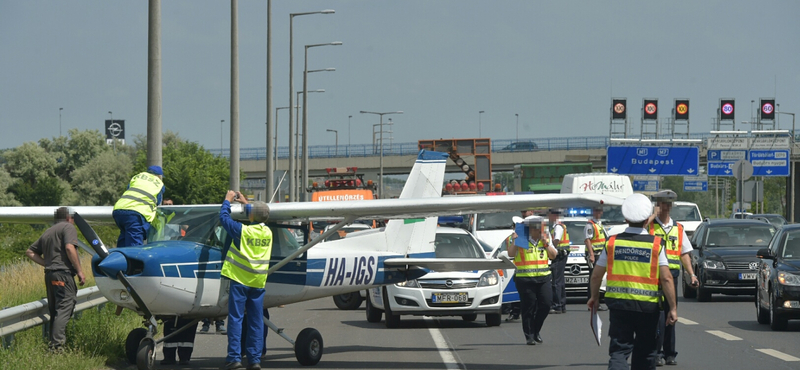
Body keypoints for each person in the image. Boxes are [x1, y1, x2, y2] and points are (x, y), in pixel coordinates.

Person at [587, 194, 678, 370]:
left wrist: (594, 297)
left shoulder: (612, 242)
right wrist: (672, 308)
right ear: (647, 219)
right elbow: (666, 278)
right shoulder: (656, 244)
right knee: (645, 353)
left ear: (626, 218)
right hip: (648, 309)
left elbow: (597, 275)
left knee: (619, 351)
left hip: (619, 306)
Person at [219, 190, 273, 370]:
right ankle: (254, 360)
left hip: (240, 281)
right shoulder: (268, 232)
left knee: (235, 319)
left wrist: (227, 201)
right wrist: (245, 202)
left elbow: (224, 218)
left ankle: (234, 358)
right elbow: (257, 214)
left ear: (252, 216)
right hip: (258, 283)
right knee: (256, 322)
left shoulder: (243, 231)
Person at [648, 190, 699, 367]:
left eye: (669, 204)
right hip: (653, 276)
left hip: (672, 275)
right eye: (663, 204)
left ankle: (670, 353)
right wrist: (652, 216)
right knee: (657, 316)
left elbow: (684, 253)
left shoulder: (678, 228)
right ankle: (656, 353)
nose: (666, 207)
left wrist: (691, 274)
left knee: (671, 314)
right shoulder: (650, 226)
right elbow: (637, 230)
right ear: (658, 205)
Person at [25, 207, 86, 351]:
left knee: (56, 310)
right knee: (65, 306)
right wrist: (79, 271)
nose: (74, 222)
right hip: (63, 274)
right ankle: (56, 347)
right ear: (67, 218)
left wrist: (47, 263)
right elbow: (70, 248)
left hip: (50, 274)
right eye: (73, 219)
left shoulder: (48, 231)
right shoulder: (68, 227)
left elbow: (30, 251)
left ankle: (52, 343)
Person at [507, 215, 557, 345]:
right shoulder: (520, 238)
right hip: (525, 279)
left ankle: (536, 330)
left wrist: (546, 244)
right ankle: (529, 335)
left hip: (543, 277)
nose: (540, 230)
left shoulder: (545, 238)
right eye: (537, 228)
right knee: (528, 307)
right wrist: (514, 242)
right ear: (529, 228)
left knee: (546, 304)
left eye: (541, 227)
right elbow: (511, 254)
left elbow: (553, 255)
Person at [113, 165, 165, 247]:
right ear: (159, 176)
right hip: (136, 213)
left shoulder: (137, 177)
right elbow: (158, 201)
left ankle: (120, 258)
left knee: (123, 241)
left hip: (119, 210)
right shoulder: (159, 183)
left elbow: (129, 189)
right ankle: (134, 260)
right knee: (134, 247)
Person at [584, 205, 608, 311]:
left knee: (598, 279)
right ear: (593, 211)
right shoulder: (590, 225)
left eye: (600, 211)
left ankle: (595, 303)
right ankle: (593, 303)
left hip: (600, 254)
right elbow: (587, 240)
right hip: (594, 254)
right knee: (594, 278)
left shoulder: (599, 224)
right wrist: (592, 255)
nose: (598, 213)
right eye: (596, 211)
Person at [548, 208, 570, 314]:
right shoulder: (559, 226)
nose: (548, 217)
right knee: (560, 281)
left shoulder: (558, 227)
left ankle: (557, 305)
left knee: (556, 281)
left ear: (554, 216)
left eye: (550, 215)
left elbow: (556, 240)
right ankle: (561, 305)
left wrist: (551, 250)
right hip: (562, 255)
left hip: (559, 255)